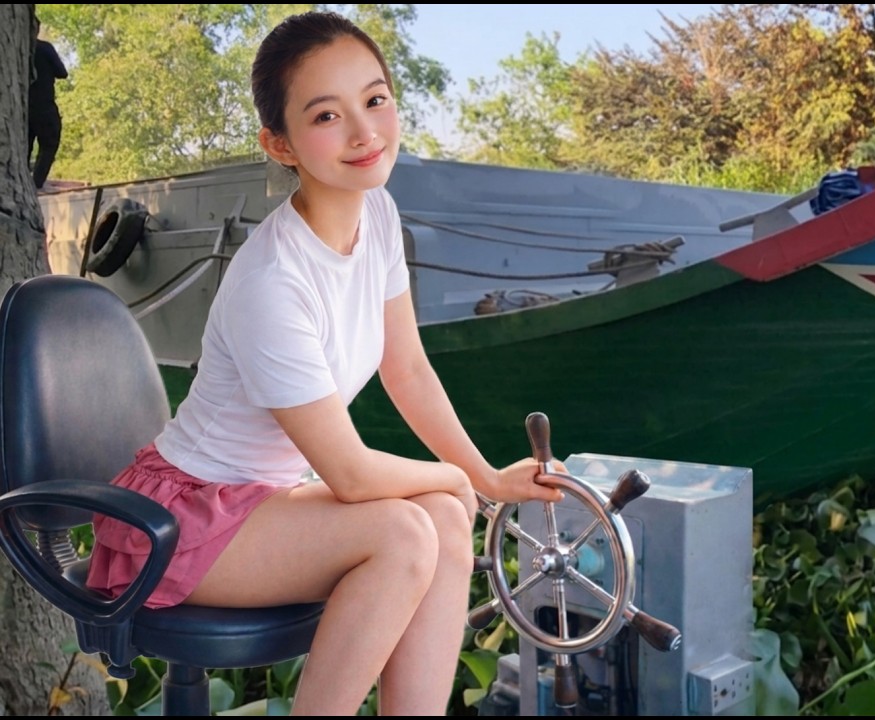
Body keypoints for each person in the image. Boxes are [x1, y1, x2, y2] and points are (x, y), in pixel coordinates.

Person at [84, 10, 565, 716]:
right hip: (181, 515)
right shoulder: (273, 282)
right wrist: (474, 482)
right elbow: (348, 472)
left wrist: (477, 479)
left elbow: (408, 370)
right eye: (326, 116)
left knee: (440, 512)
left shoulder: (377, 216)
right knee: (408, 527)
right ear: (280, 144)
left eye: (374, 100)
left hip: (263, 502)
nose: (365, 133)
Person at [29, 16, 68, 191]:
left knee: (25, 146)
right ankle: (36, 183)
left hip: (25, 110)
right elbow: (62, 72)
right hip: (44, 106)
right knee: (50, 143)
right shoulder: (44, 48)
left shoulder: (16, 51)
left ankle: (24, 176)